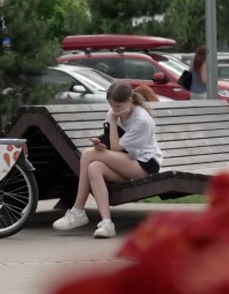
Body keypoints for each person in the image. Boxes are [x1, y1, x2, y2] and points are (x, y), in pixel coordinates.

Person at [53, 82, 164, 238]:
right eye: (112, 106)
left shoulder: (141, 119)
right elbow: (112, 143)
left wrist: (112, 120)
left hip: (144, 164)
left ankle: (77, 210)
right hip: (126, 161)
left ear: (129, 100)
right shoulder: (113, 112)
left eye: (118, 106)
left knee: (87, 155)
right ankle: (107, 223)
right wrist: (100, 144)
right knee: (94, 167)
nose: (114, 109)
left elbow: (117, 149)